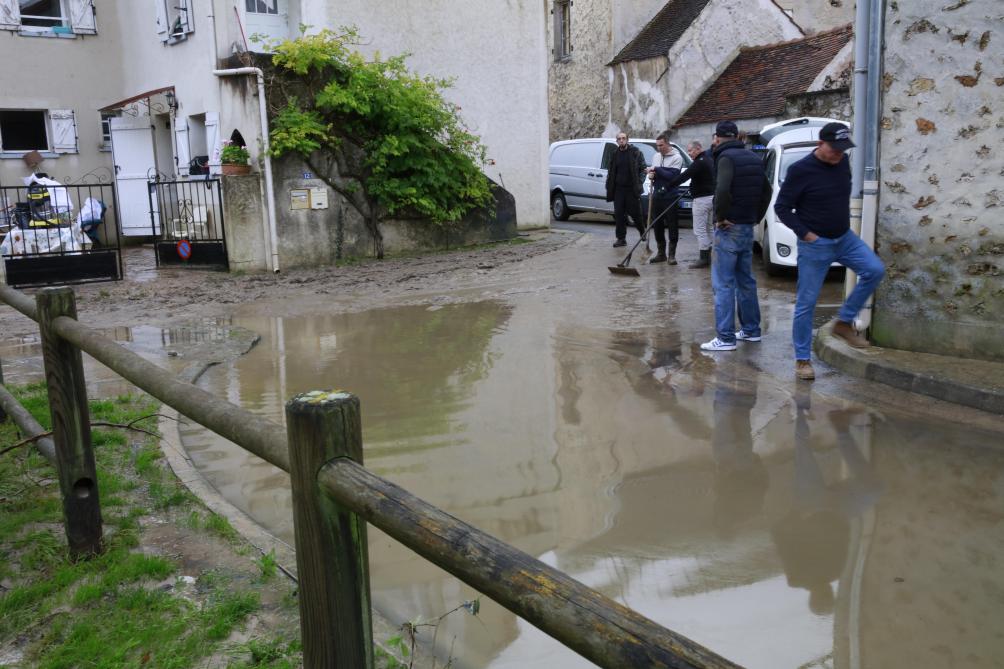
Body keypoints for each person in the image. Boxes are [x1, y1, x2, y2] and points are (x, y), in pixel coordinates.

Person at [774, 122, 886, 381]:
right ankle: (802, 360)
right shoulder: (800, 170)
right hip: (815, 245)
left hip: (844, 238)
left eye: (842, 149)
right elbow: (782, 207)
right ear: (819, 145)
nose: (838, 154)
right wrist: (806, 234)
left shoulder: (843, 162)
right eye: (834, 149)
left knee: (874, 270)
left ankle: (843, 323)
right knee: (806, 304)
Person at [700, 121, 773, 352]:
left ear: (719, 138)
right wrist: (755, 217)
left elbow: (721, 190)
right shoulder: (753, 158)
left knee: (723, 284)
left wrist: (720, 217)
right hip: (746, 227)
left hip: (729, 228)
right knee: (746, 281)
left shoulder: (725, 158)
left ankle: (725, 337)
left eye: (714, 138)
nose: (713, 142)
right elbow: (767, 192)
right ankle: (751, 330)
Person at [660, 140, 715, 268]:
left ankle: (704, 259)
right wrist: (693, 185)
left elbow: (684, 176)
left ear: (698, 148)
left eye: (690, 150)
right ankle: (713, 256)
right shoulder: (708, 160)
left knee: (699, 229)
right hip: (711, 198)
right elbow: (701, 178)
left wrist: (667, 187)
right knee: (709, 228)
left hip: (701, 200)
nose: (689, 153)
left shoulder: (699, 162)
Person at [605, 132, 648, 248]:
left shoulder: (636, 152)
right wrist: (609, 184)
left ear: (627, 140)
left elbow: (643, 169)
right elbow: (611, 170)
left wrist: (639, 182)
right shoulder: (614, 154)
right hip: (618, 189)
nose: (621, 140)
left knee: (635, 214)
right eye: (619, 139)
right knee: (619, 214)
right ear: (617, 141)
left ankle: (642, 231)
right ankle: (621, 239)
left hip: (631, 189)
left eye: (623, 138)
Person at [645, 133, 683, 264]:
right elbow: (657, 173)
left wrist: (656, 169)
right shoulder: (656, 156)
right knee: (657, 224)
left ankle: (672, 255)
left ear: (667, 143)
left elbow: (672, 176)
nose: (659, 148)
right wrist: (651, 173)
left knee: (672, 224)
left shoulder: (677, 158)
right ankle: (661, 253)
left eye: (661, 145)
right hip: (657, 195)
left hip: (670, 196)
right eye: (657, 145)